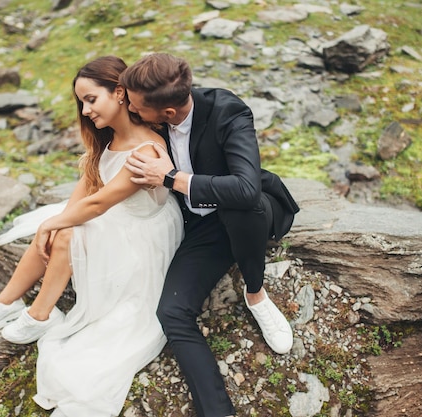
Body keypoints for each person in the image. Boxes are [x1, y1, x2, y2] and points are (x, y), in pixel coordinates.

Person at [0, 56, 183, 417]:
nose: (84, 111)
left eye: (90, 100)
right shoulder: (107, 141)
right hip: (118, 221)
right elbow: (84, 193)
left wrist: (55, 226)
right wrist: (54, 222)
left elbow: (98, 204)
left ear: (118, 93)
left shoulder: (146, 149)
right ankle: (5, 304)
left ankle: (40, 317)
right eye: (81, 102)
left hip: (144, 235)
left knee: (66, 231)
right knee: (59, 224)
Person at [119, 52, 300, 417]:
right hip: (201, 226)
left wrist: (171, 178)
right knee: (171, 311)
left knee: (239, 205)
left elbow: (247, 189)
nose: (133, 113)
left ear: (167, 113)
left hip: (252, 213)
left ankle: (256, 293)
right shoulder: (149, 118)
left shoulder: (227, 111)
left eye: (137, 108)